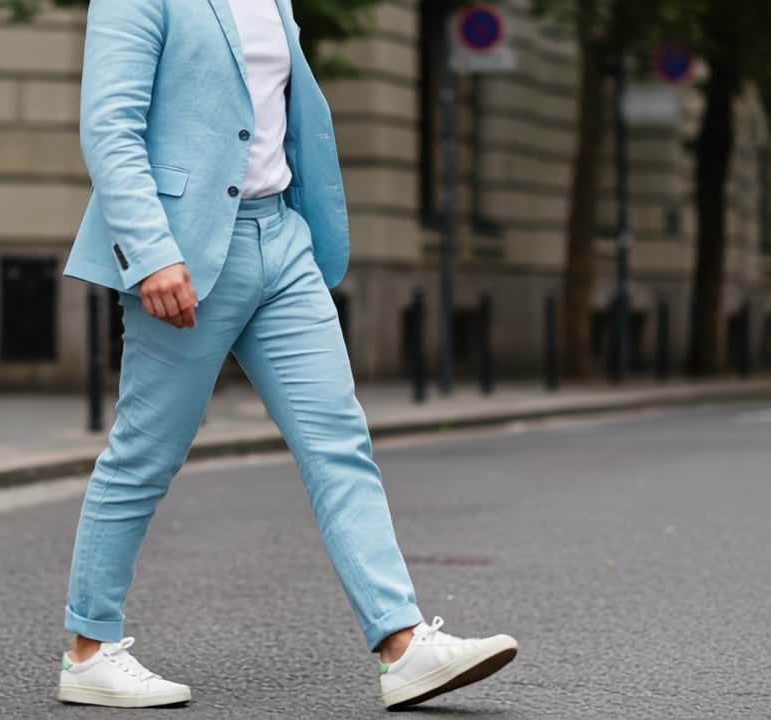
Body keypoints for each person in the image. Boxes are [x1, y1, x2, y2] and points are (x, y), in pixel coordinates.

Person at [57, 0, 517, 709]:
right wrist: (150, 253)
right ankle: (89, 650)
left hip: (283, 239)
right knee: (145, 454)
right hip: (185, 252)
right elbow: (109, 127)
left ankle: (402, 644)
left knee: (339, 440)